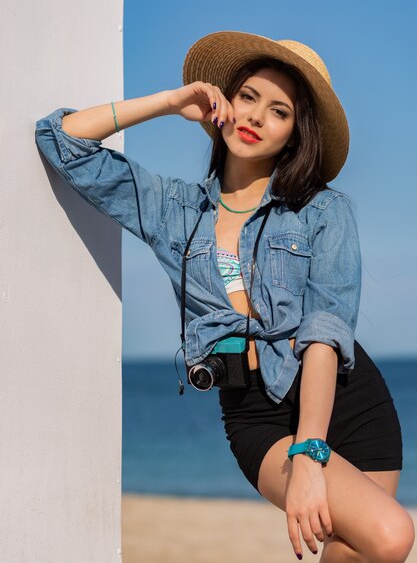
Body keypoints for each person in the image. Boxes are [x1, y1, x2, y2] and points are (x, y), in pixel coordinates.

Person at [35, 30, 415, 562]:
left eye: (279, 111)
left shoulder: (324, 211)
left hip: (345, 401)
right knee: (393, 535)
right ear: (224, 102)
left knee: (357, 552)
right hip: (255, 414)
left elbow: (326, 332)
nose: (256, 118)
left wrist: (310, 451)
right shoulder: (174, 210)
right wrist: (170, 102)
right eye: (248, 97)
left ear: (293, 134)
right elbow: (59, 141)